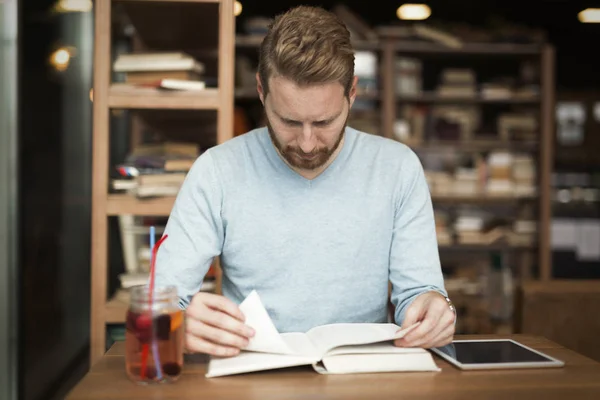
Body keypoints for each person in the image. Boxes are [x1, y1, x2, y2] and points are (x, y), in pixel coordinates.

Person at [155, 5, 455, 358]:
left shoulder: (398, 168)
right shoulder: (216, 171)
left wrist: (433, 308)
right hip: (250, 375)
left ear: (352, 93)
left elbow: (418, 294)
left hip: (362, 375)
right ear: (261, 91)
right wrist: (178, 320)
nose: (308, 144)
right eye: (290, 122)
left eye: (325, 122)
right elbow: (160, 300)